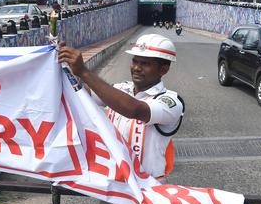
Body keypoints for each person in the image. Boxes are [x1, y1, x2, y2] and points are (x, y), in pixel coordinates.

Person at [57, 34, 184, 180]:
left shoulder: (170, 102)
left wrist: (84, 72)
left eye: (145, 64)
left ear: (163, 70)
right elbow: (81, 93)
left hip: (147, 187)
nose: (136, 68)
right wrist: (63, 67)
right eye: (135, 61)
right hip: (114, 183)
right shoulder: (121, 88)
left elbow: (133, 109)